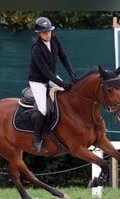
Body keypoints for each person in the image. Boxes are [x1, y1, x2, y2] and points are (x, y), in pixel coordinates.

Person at [28, 17, 78, 153]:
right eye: (44, 32)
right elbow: (45, 72)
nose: (48, 34)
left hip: (51, 77)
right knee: (43, 109)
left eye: (49, 31)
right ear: (38, 33)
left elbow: (64, 57)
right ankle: (37, 140)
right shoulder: (36, 49)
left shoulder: (55, 40)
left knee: (69, 95)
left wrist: (72, 74)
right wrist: (62, 84)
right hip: (38, 81)